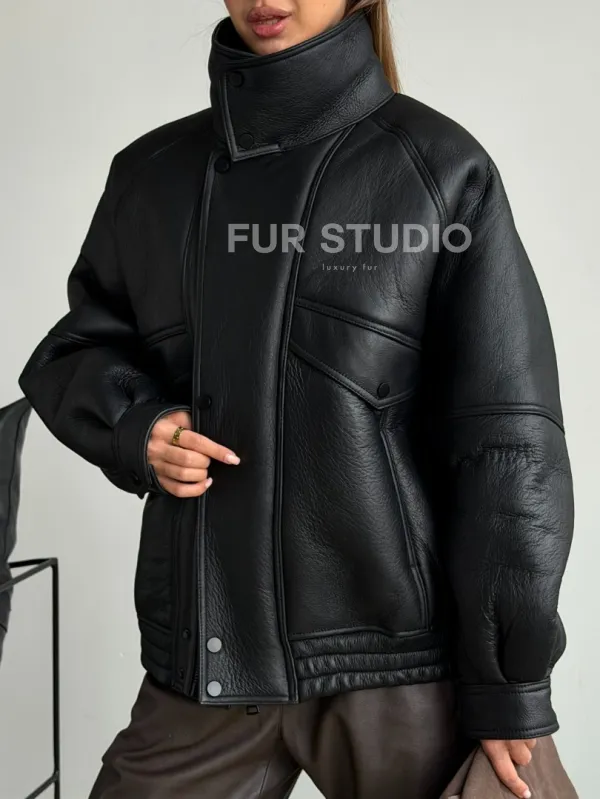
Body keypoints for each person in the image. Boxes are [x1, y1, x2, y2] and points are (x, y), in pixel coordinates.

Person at [18, 1, 575, 798]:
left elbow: (508, 444)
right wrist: (142, 426)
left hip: (395, 663)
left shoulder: (437, 168)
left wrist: (510, 684)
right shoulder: (150, 175)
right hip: (207, 657)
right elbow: (77, 349)